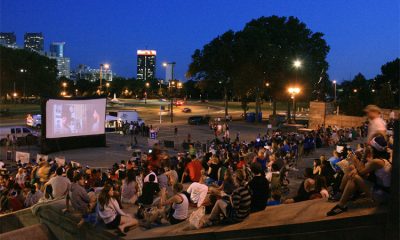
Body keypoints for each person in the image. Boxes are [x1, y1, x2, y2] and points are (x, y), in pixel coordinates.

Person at [327, 136, 391, 216]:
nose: (368, 148)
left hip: (382, 195)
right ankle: (341, 196)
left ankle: (341, 203)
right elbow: (366, 168)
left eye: (370, 147)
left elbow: (361, 172)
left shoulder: (377, 162)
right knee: (352, 169)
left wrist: (359, 157)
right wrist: (360, 158)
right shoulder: (381, 160)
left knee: (354, 176)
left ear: (374, 148)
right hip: (380, 189)